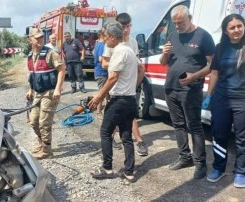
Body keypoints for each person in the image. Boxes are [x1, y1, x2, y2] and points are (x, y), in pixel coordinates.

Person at [159, 5, 215, 179]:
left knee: (194, 126)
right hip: (170, 87)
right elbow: (162, 63)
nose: (177, 26)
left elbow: (212, 66)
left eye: (180, 22)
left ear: (189, 18)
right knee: (178, 125)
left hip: (191, 89)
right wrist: (164, 54)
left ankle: (200, 164)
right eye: (174, 23)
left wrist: (194, 76)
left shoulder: (203, 36)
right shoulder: (173, 35)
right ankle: (185, 157)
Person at [88, 21, 140, 181]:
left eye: (105, 37)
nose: (103, 40)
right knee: (126, 135)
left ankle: (107, 168)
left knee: (105, 131)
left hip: (119, 100)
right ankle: (129, 172)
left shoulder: (118, 52)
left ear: (111, 37)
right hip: (130, 99)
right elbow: (141, 69)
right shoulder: (130, 51)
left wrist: (98, 97)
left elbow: (113, 77)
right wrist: (134, 86)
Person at [202, 14, 245, 187]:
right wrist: (208, 96)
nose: (236, 30)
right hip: (221, 99)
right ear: (226, 31)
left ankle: (241, 172)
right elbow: (214, 73)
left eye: (239, 26)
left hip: (242, 100)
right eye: (232, 27)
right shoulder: (220, 48)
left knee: (242, 138)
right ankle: (219, 168)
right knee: (219, 134)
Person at [102, 12, 147, 156]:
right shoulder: (111, 42)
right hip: (117, 86)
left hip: (130, 85)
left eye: (128, 26)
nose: (126, 29)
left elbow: (139, 66)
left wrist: (135, 84)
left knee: (126, 118)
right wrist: (122, 63)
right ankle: (128, 140)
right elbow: (104, 64)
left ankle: (138, 142)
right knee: (118, 118)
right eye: (123, 26)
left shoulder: (133, 42)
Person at [26, 28, 66, 160]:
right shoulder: (30, 56)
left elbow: (62, 70)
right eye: (37, 38)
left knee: (44, 123)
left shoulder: (50, 53)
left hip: (49, 92)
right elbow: (33, 75)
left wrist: (58, 89)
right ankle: (42, 143)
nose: (41, 39)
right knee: (33, 121)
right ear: (30, 40)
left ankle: (47, 151)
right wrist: (30, 90)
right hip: (37, 93)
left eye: (42, 37)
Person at [93, 28, 108, 119]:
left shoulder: (98, 44)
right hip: (102, 72)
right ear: (103, 35)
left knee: (106, 93)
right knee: (102, 93)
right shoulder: (102, 45)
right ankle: (98, 112)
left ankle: (106, 110)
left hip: (100, 72)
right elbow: (100, 59)